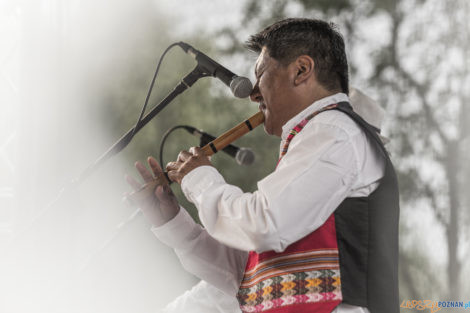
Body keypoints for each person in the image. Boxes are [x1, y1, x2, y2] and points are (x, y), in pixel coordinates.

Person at [126, 18, 399, 313]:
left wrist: (199, 178)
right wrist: (172, 222)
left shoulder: (335, 131)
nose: (254, 93)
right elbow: (249, 278)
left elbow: (263, 224)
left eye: (261, 75)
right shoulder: (321, 136)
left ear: (301, 70)